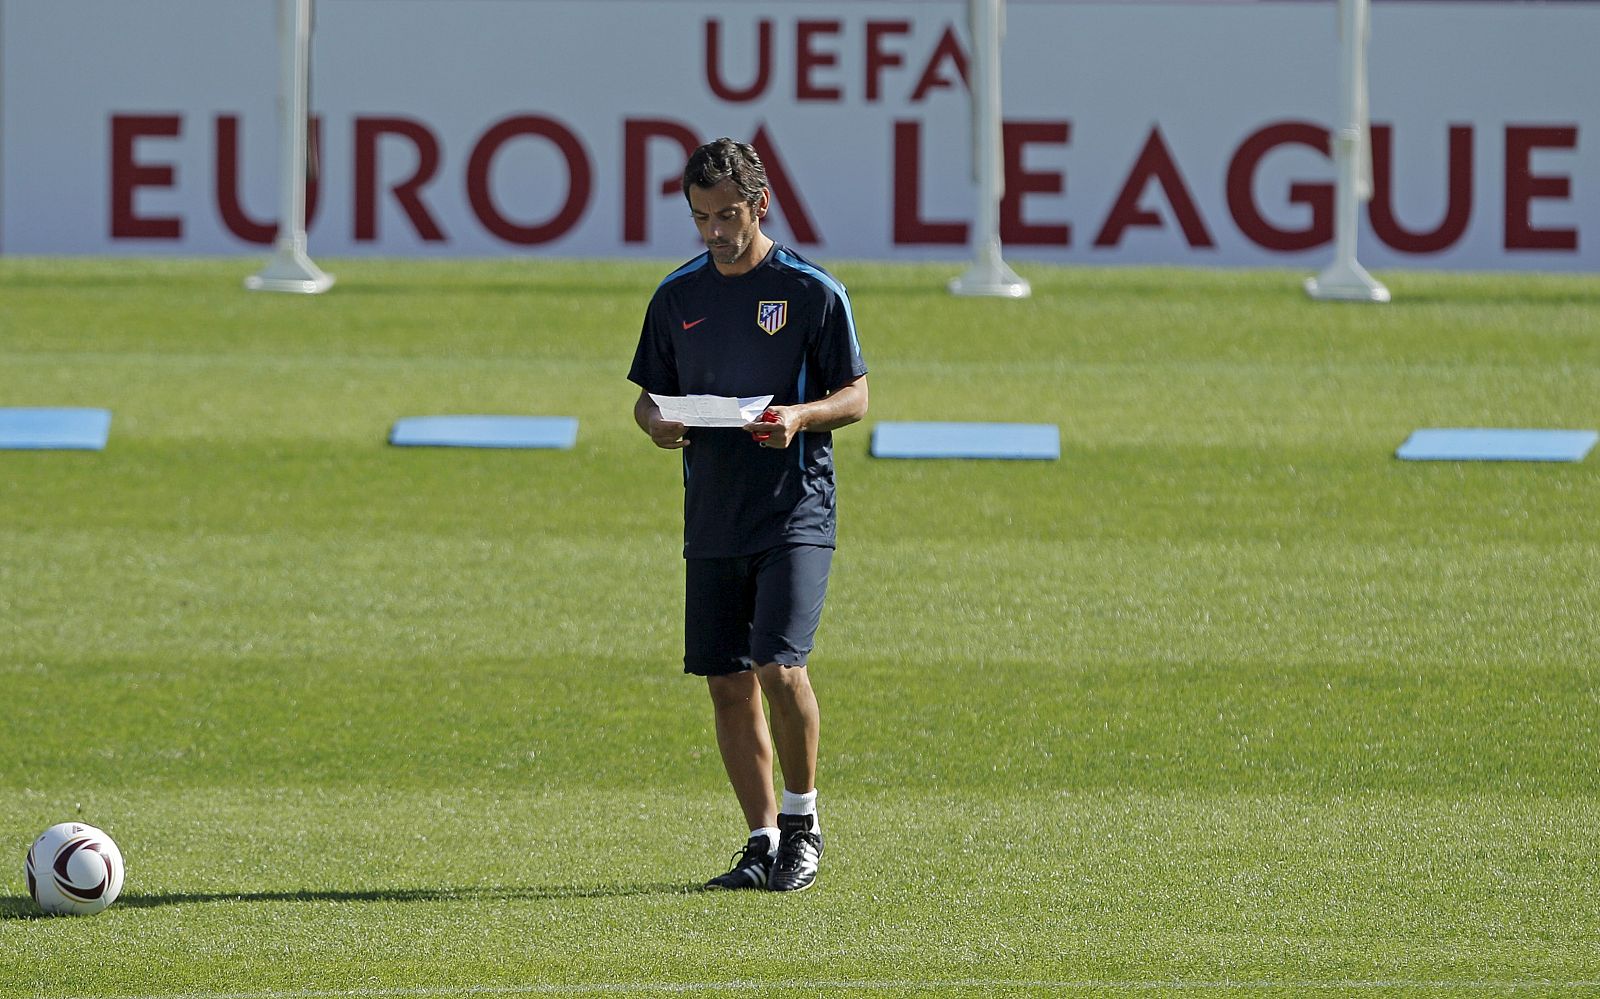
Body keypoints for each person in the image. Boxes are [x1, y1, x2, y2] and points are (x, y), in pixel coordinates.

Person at [627, 138, 869, 893]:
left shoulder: (811, 290)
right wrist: (657, 424)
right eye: (701, 217)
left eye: (728, 215)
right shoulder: (677, 297)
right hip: (713, 514)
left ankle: (804, 823)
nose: (714, 232)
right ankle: (761, 839)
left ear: (760, 205)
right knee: (727, 680)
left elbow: (857, 396)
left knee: (778, 664)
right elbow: (646, 397)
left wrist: (800, 416)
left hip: (794, 504)